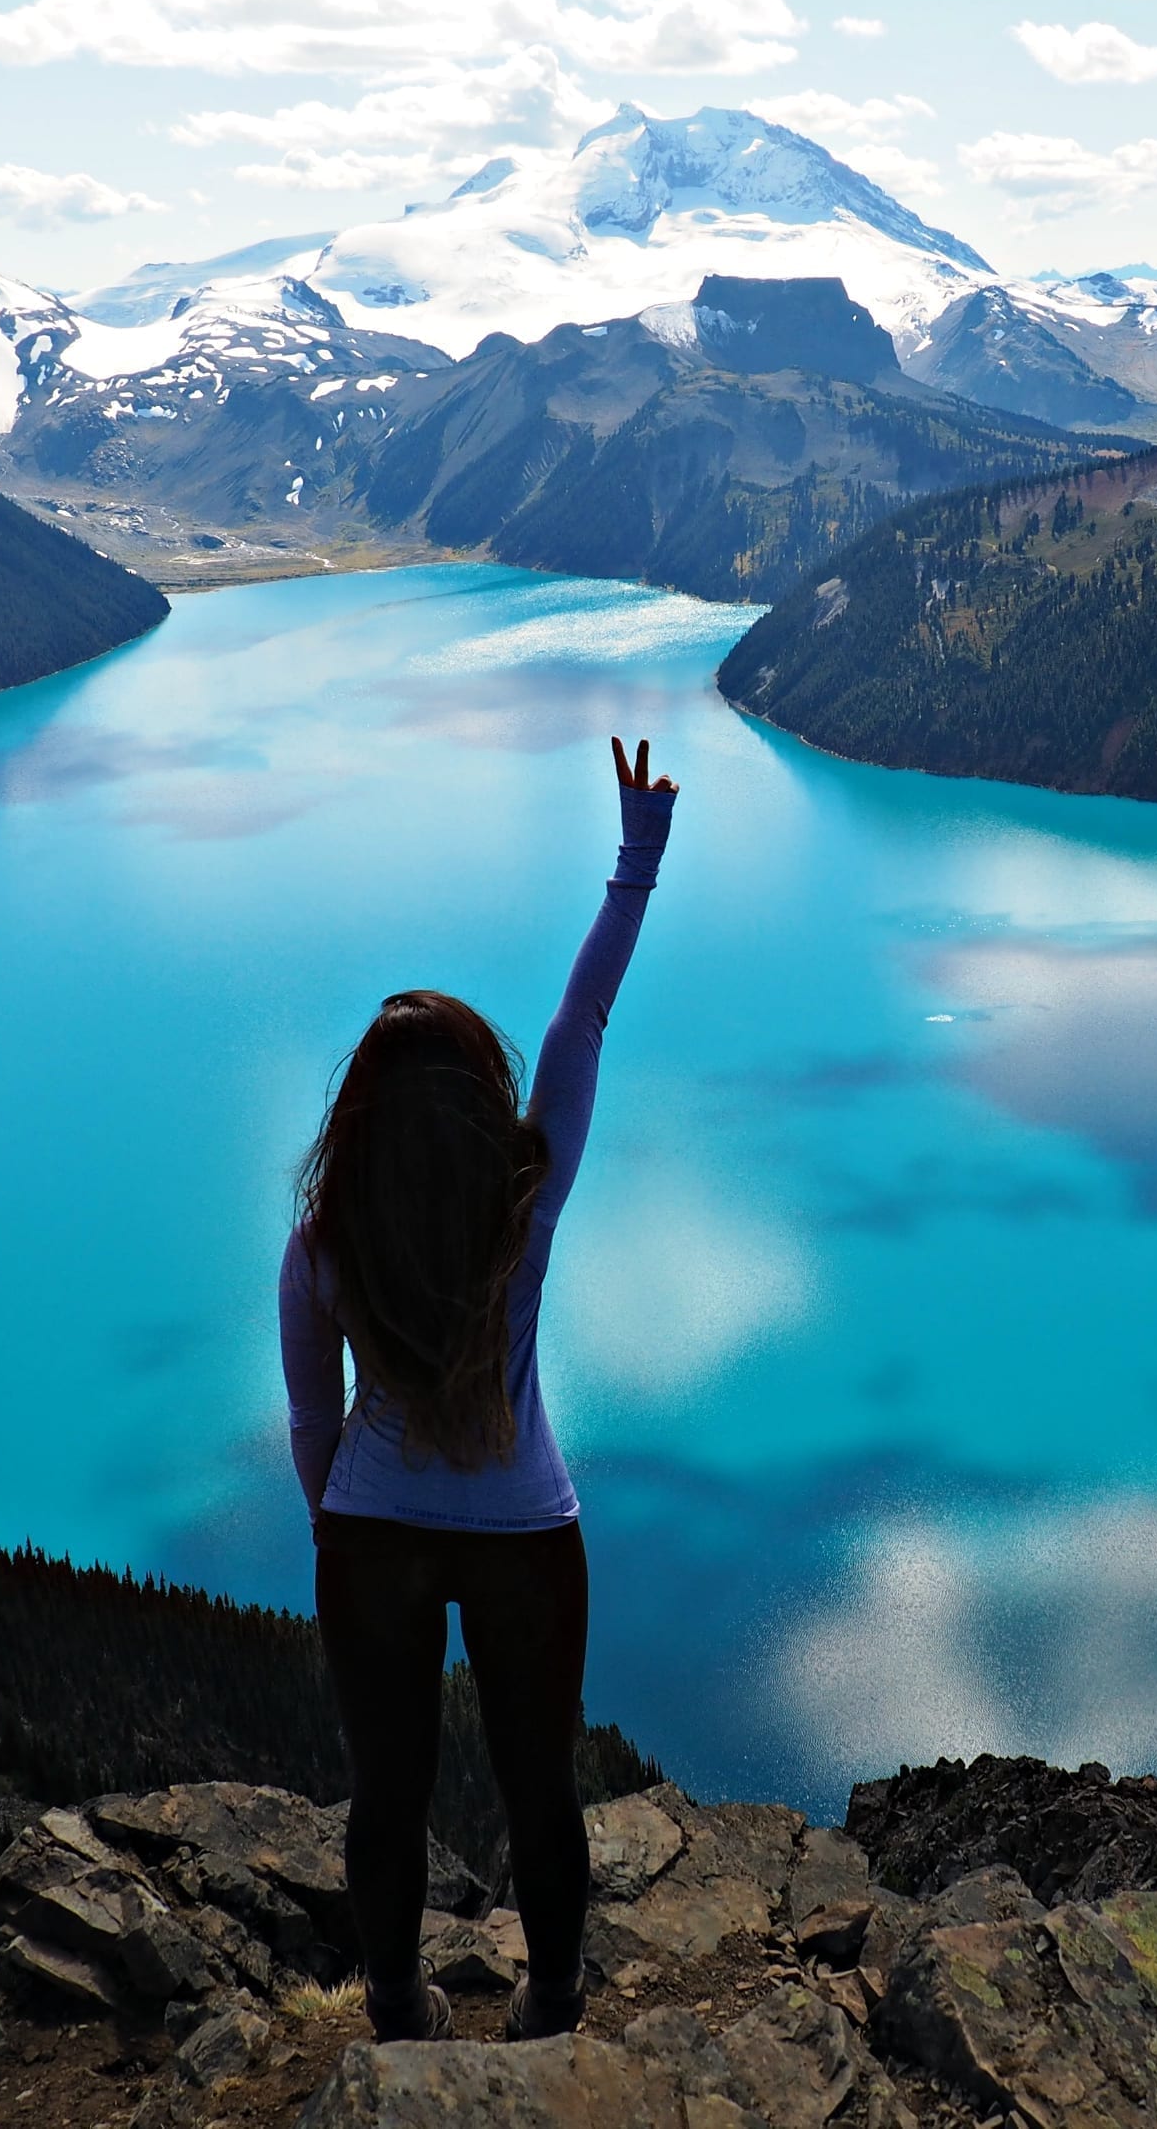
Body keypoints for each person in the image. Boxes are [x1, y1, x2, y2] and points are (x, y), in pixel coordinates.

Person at [280, 734, 680, 2043]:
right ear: (481, 1097)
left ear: (365, 1113)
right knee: (538, 1787)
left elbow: (310, 1419)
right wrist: (634, 861)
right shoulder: (527, 1196)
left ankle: (394, 2011)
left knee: (385, 1793)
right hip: (524, 1533)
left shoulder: (325, 1237)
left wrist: (333, 1520)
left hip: (375, 1534)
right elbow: (584, 1020)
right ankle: (552, 2002)